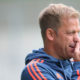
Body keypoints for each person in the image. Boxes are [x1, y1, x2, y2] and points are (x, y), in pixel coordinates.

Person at [21, 3, 80, 80]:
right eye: (70, 33)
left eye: (77, 32)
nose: (77, 39)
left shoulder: (73, 65)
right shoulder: (34, 70)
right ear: (50, 34)